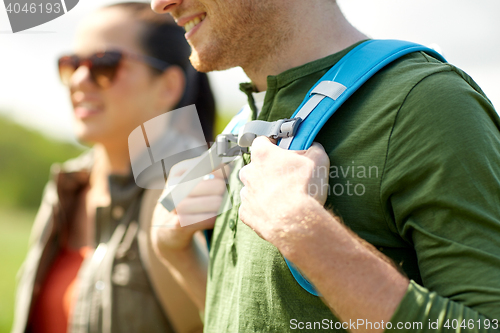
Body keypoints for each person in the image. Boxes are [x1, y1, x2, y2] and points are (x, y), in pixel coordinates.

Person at [150, 0, 500, 332]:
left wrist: (302, 230)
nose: (159, 4)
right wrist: (177, 255)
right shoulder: (244, 125)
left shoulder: (427, 103)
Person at [12, 2, 215, 333]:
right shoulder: (66, 187)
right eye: (71, 64)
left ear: (168, 86)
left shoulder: (190, 191)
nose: (79, 80)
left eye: (105, 64)